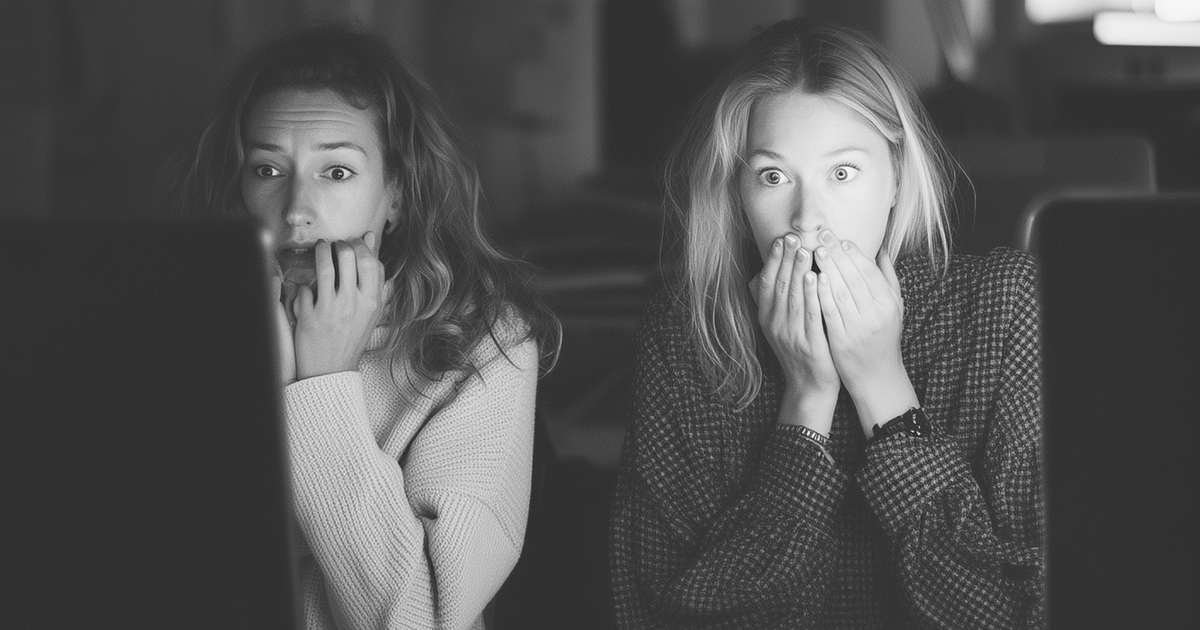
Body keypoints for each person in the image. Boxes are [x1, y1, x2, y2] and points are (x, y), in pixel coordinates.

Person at [609, 20, 1044, 629]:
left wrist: (884, 387)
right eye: (773, 176)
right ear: (737, 192)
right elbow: (659, 616)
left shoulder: (1004, 306)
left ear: (895, 177)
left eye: (842, 173)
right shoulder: (687, 337)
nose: (807, 220)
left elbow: (1028, 612)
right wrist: (806, 402)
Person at [175, 26, 558, 630]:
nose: (296, 210)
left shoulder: (484, 342)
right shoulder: (182, 326)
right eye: (268, 169)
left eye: (337, 172)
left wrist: (319, 385)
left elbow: (419, 622)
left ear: (395, 196)